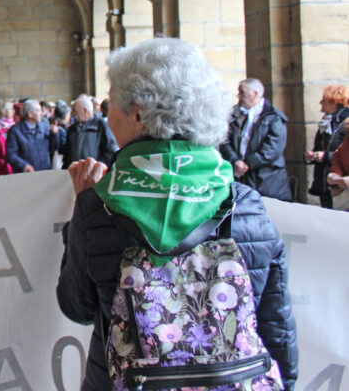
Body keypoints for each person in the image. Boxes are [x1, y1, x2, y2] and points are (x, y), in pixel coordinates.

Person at [57, 38, 298, 391]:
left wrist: (80, 209)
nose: (106, 115)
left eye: (111, 103)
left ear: (137, 114)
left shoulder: (99, 206)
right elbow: (274, 326)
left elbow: (77, 306)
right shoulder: (243, 202)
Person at [220, 79, 291, 201]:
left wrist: (247, 164)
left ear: (255, 93)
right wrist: (235, 161)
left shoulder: (274, 117)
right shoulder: (234, 114)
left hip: (267, 179)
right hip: (241, 175)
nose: (239, 96)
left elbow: (273, 148)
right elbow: (224, 140)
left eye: (242, 92)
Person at [305, 84, 349, 208]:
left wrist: (325, 156)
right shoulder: (326, 122)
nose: (320, 102)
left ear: (334, 103)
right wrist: (312, 156)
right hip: (326, 178)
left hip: (341, 183)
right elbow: (326, 149)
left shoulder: (344, 122)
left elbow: (341, 154)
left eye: (324, 100)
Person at [60, 94, 118, 169]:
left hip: (95, 173)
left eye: (75, 111)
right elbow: (67, 153)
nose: (73, 114)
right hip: (75, 173)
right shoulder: (72, 128)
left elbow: (111, 150)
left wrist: (97, 167)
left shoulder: (101, 125)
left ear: (85, 111)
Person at [5, 99, 62, 173]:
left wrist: (55, 134)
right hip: (26, 175)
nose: (42, 113)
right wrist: (24, 165)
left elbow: (53, 148)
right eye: (38, 110)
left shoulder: (45, 127)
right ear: (30, 114)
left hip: (45, 171)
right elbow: (10, 154)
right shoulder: (15, 131)